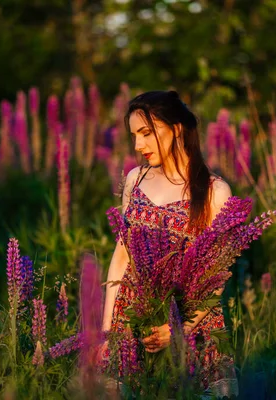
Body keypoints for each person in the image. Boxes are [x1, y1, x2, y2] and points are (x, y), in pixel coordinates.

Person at [100, 90, 238, 397]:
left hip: (192, 323)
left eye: (147, 133)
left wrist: (178, 329)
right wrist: (107, 331)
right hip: (133, 318)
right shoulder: (135, 178)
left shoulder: (216, 191)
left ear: (176, 128)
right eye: (134, 135)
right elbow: (122, 256)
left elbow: (217, 278)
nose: (138, 145)